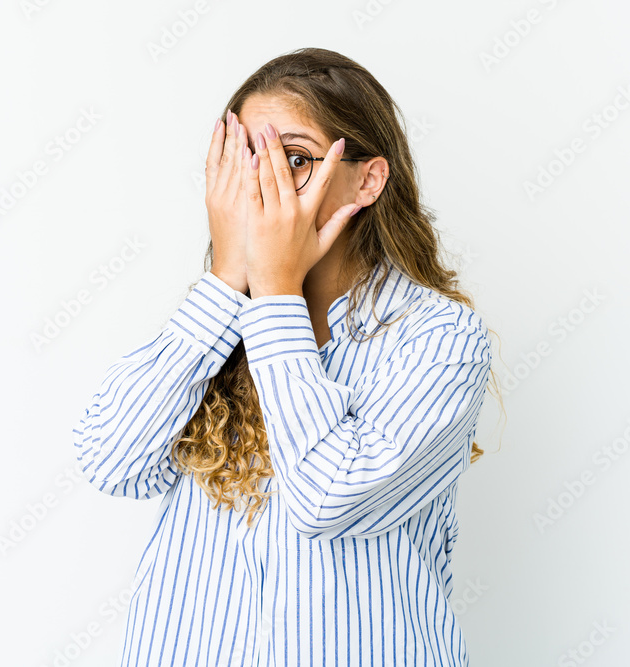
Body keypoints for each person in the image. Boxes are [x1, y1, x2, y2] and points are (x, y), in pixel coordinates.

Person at [72, 46, 499, 667]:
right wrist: (226, 283)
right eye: (245, 160)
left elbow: (328, 499)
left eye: (292, 159)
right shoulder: (217, 326)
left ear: (368, 178)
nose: (260, 186)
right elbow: (112, 463)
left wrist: (275, 294)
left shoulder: (440, 337)